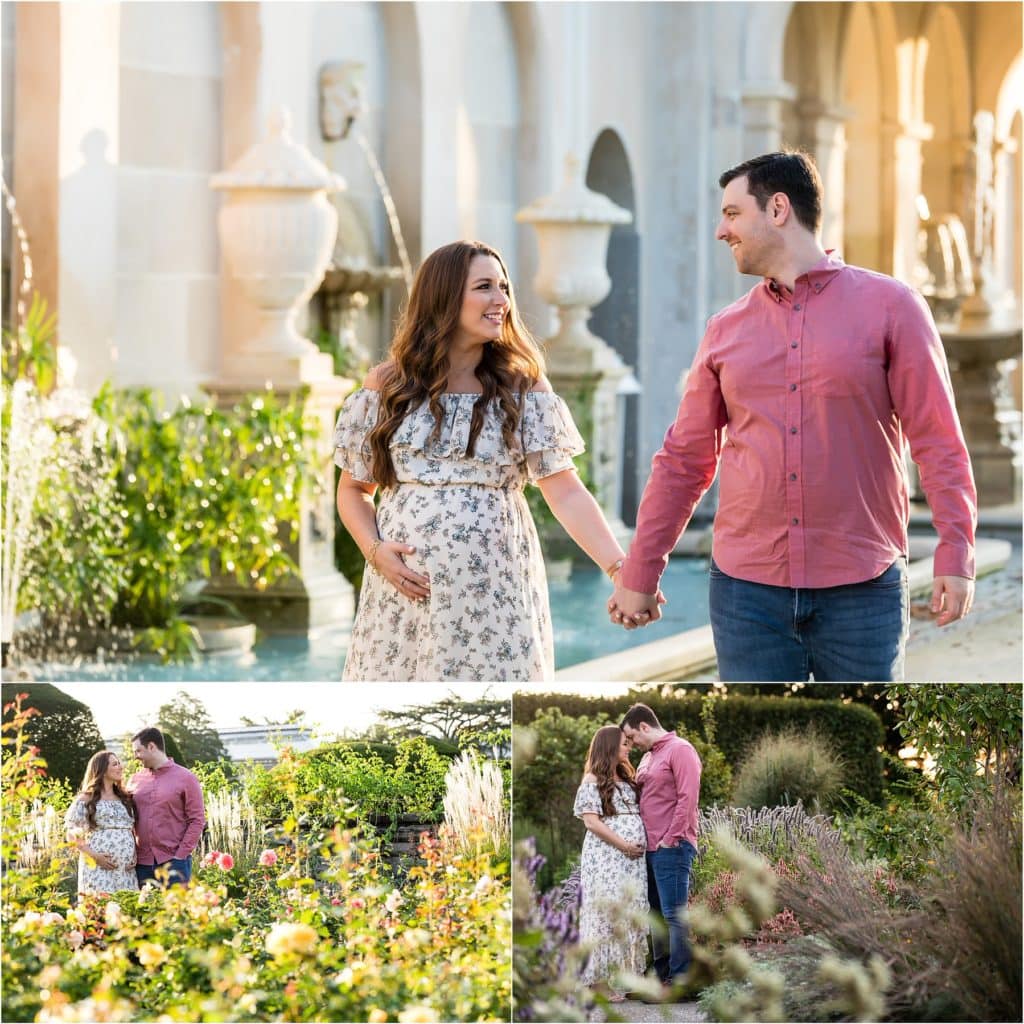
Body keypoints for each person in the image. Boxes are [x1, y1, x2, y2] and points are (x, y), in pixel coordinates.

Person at [609, 150, 977, 682]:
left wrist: (955, 552)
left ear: (778, 208)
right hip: (745, 597)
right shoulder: (725, 329)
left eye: (733, 214)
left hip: (862, 589)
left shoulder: (893, 307)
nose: (720, 230)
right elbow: (684, 459)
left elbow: (938, 440)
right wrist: (641, 569)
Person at [334, 239, 630, 681]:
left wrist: (619, 569)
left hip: (497, 592)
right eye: (485, 287)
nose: (502, 301)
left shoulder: (523, 385)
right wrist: (375, 552)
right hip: (405, 596)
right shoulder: (387, 385)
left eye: (504, 287)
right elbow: (353, 490)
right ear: (446, 297)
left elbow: (565, 490)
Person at [619, 704, 701, 993]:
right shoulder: (648, 758)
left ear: (643, 726)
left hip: (672, 846)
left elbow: (687, 798)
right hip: (650, 850)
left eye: (631, 737)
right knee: (655, 915)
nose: (631, 744)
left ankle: (681, 982)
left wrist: (670, 838)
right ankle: (662, 977)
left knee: (674, 915)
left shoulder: (681, 750)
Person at [572, 725, 648, 1003]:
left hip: (632, 862)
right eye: (624, 744)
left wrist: (628, 764)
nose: (628, 747)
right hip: (608, 857)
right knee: (606, 914)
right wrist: (624, 845)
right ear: (608, 747)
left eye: (629, 743)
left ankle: (629, 978)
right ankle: (601, 983)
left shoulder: (627, 775)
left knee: (630, 912)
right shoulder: (592, 779)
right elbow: (591, 821)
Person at [129, 727, 205, 888]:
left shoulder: (186, 778)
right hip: (141, 865)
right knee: (144, 912)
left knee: (176, 912)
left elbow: (197, 820)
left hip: (174, 863)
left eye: (138, 751)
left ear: (151, 746)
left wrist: (180, 856)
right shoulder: (134, 780)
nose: (135, 757)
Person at [65, 751, 139, 897]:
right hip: (98, 868)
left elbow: (130, 830)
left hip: (126, 870)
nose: (121, 767)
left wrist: (134, 853)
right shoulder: (87, 798)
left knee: (126, 913)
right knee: (100, 911)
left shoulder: (125, 798)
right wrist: (94, 856)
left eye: (119, 763)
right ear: (102, 769)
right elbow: (71, 833)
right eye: (115, 764)